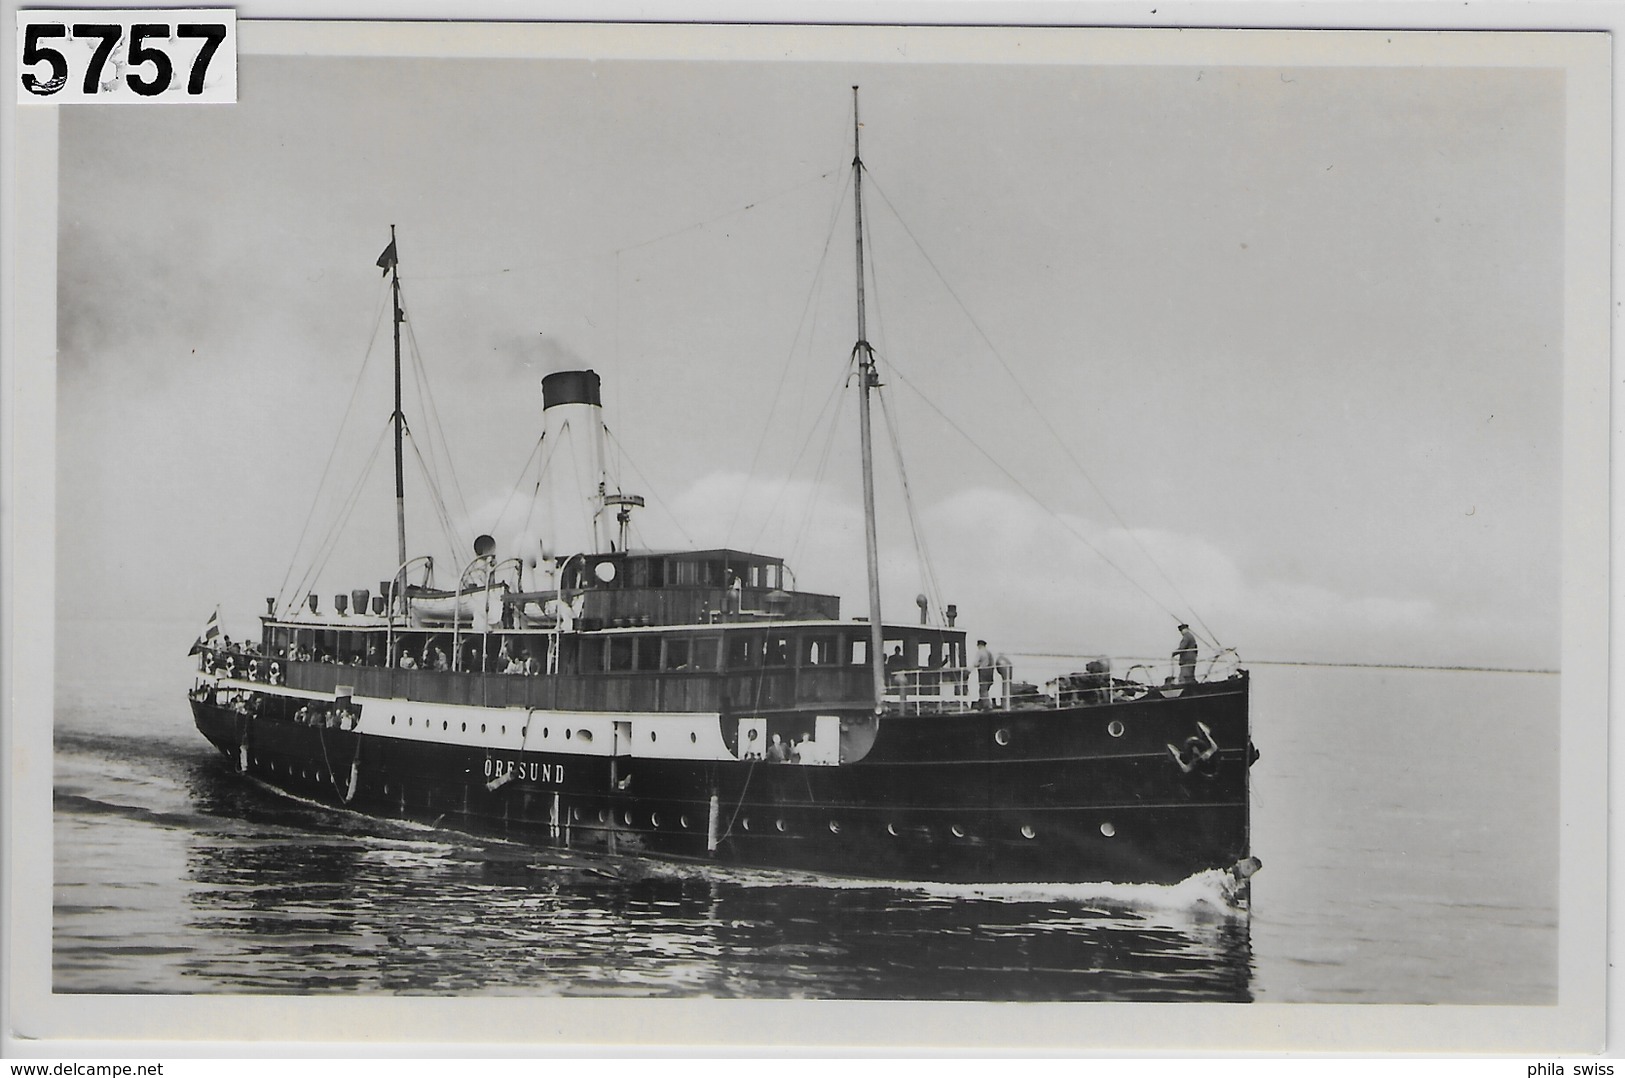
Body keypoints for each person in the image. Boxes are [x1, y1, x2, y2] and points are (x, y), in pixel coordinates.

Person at [973, 640, 995, 708]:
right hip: (990, 671)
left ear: (979, 645)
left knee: (983, 688)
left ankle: (987, 705)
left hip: (983, 671)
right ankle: (982, 702)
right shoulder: (989, 652)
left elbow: (975, 663)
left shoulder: (980, 652)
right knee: (986, 688)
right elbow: (992, 663)